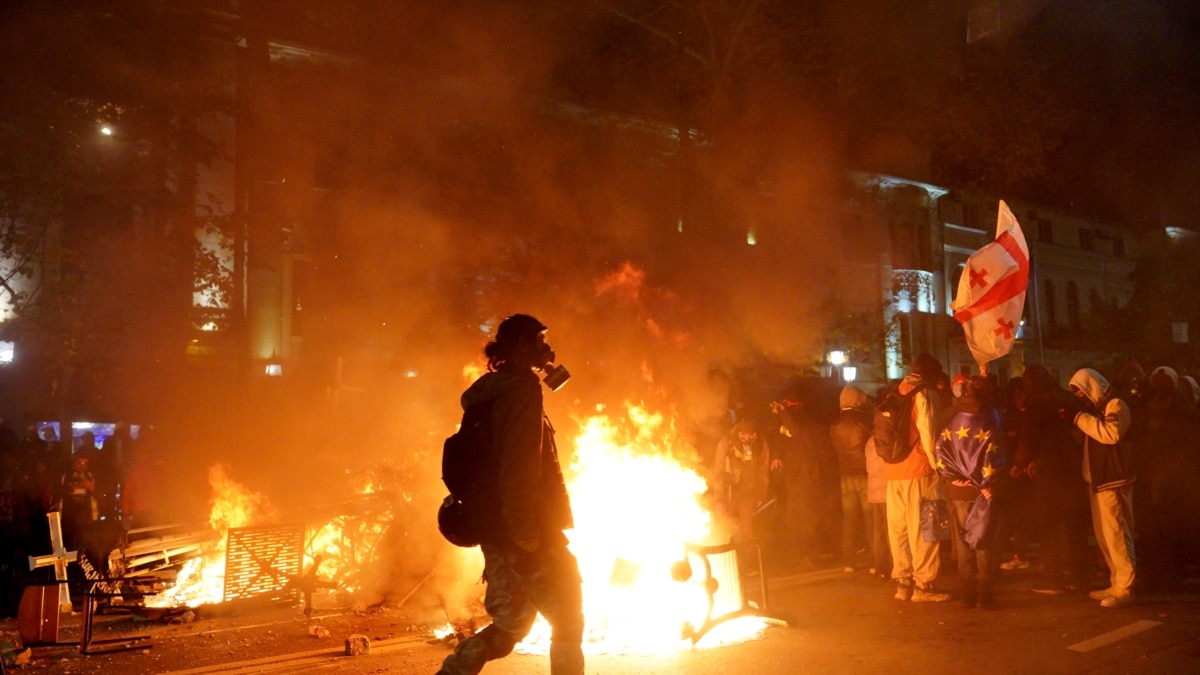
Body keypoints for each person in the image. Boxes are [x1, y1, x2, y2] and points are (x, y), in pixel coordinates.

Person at [438, 314, 583, 675]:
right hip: (525, 530)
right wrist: (527, 535)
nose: (547, 348)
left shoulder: (489, 390)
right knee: (567, 618)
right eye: (539, 340)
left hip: (494, 528)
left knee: (509, 626)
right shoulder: (521, 391)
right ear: (521, 346)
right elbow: (518, 467)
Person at [1068, 367, 1137, 608]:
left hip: (1112, 481)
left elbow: (1112, 434)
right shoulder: (1098, 409)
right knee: (1104, 537)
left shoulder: (1116, 405)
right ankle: (1116, 581)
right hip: (1098, 482)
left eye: (1081, 393)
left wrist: (1079, 419)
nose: (1080, 398)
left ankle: (1125, 587)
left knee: (1117, 535)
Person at [885, 353, 951, 602]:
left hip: (894, 472)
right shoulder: (925, 393)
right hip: (920, 470)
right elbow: (928, 431)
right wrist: (938, 467)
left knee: (899, 530)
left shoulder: (897, 390)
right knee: (928, 526)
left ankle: (903, 583)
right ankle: (925, 585)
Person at [935, 376, 1005, 608]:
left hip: (958, 490)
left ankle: (967, 595)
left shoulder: (949, 415)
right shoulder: (991, 417)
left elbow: (940, 447)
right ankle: (985, 595)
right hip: (984, 490)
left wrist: (953, 477)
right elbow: (995, 451)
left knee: (964, 544)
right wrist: (987, 482)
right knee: (983, 540)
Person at [714, 416, 773, 571]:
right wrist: (719, 499)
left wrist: (761, 494)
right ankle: (726, 565)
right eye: (744, 435)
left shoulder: (760, 444)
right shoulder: (726, 443)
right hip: (729, 492)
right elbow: (718, 471)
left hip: (748, 493)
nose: (747, 439)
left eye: (750, 436)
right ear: (738, 432)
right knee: (726, 528)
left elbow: (763, 471)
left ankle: (746, 565)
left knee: (747, 530)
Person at [830, 385, 872, 572]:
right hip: (865, 474)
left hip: (845, 476)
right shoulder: (865, 421)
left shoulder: (835, 425)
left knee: (850, 520)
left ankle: (849, 562)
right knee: (870, 520)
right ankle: (874, 562)